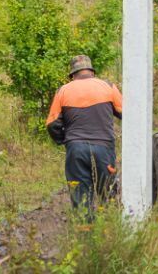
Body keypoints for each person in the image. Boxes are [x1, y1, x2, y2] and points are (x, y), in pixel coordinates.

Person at [46, 55, 123, 215]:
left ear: (73, 75)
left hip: (76, 150)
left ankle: (84, 233)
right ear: (92, 72)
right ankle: (111, 232)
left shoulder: (63, 90)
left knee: (80, 196)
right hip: (104, 149)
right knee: (108, 194)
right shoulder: (108, 86)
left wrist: (65, 141)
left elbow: (52, 124)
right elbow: (126, 113)